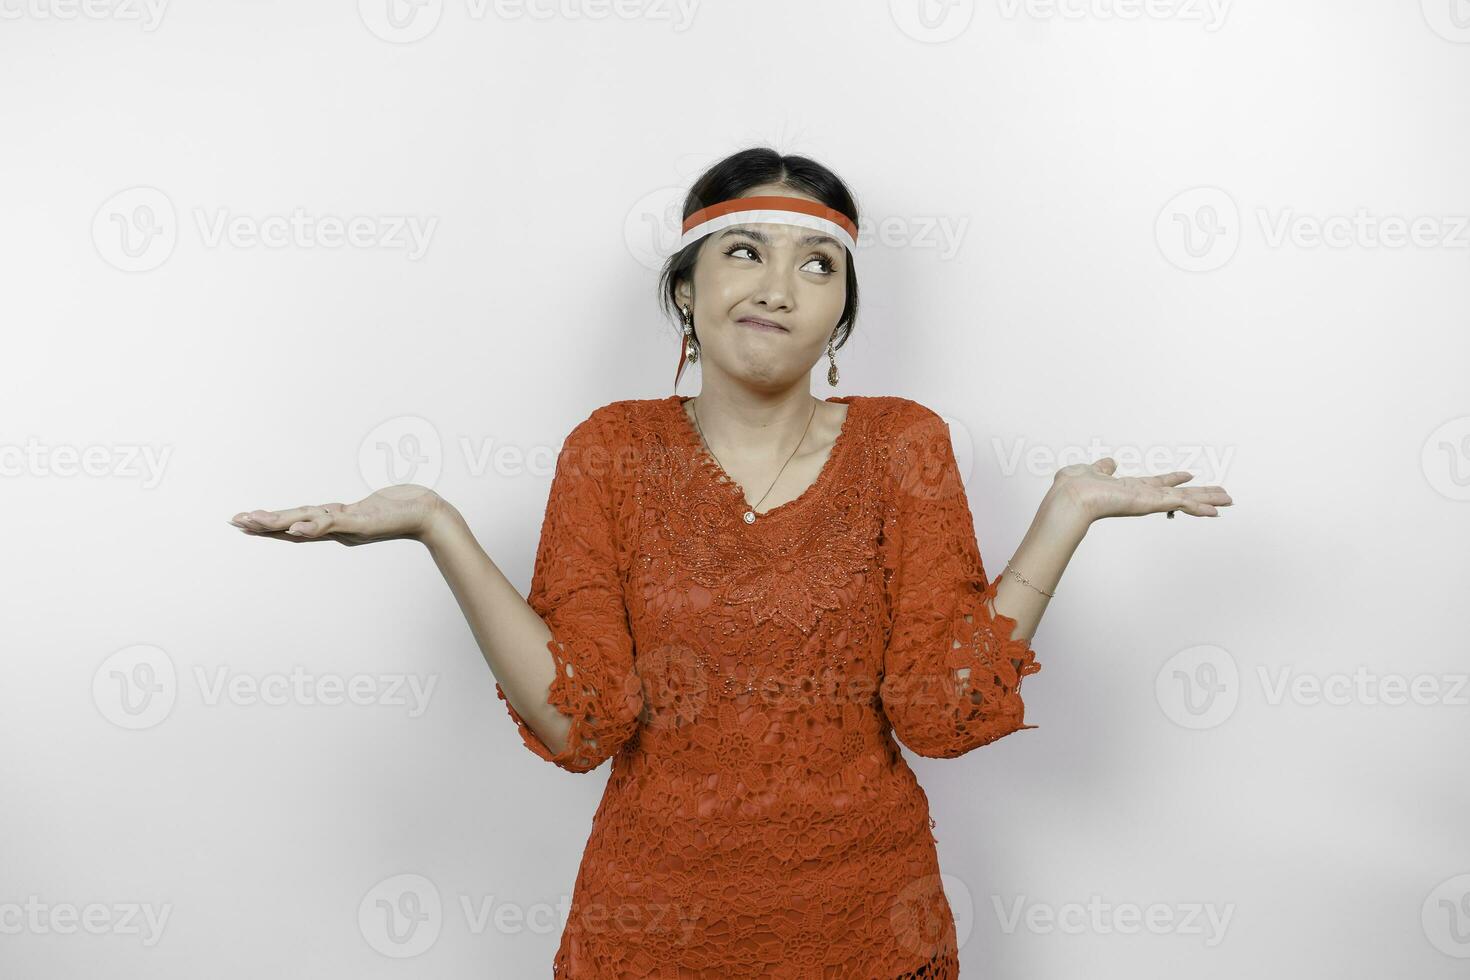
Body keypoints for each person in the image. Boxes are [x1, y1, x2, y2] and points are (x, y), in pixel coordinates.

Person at [228, 147, 1232, 977]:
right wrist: (439, 526)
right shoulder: (609, 450)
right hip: (648, 932)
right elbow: (583, 721)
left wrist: (1063, 517)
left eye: (816, 264)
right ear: (685, 287)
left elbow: (939, 707)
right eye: (745, 251)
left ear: (841, 312)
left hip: (869, 931)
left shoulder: (904, 443)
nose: (776, 286)